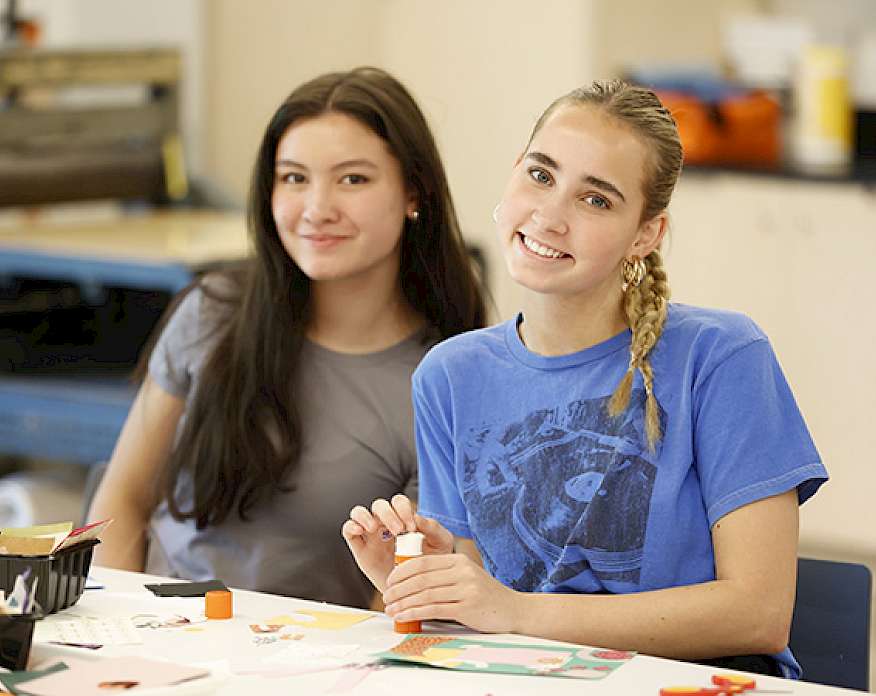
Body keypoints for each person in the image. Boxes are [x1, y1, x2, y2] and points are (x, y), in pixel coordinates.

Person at [342, 80, 827, 677]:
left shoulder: (721, 357)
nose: (550, 215)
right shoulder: (450, 375)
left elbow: (757, 613)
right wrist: (421, 585)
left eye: (596, 200)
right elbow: (481, 619)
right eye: (541, 176)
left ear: (645, 234)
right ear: (514, 171)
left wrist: (515, 611)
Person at [89, 66, 486, 609]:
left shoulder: (444, 379)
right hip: (157, 640)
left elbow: (399, 599)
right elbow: (123, 499)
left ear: (413, 192)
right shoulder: (213, 312)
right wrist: (113, 627)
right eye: (294, 178)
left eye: (353, 179)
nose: (317, 210)